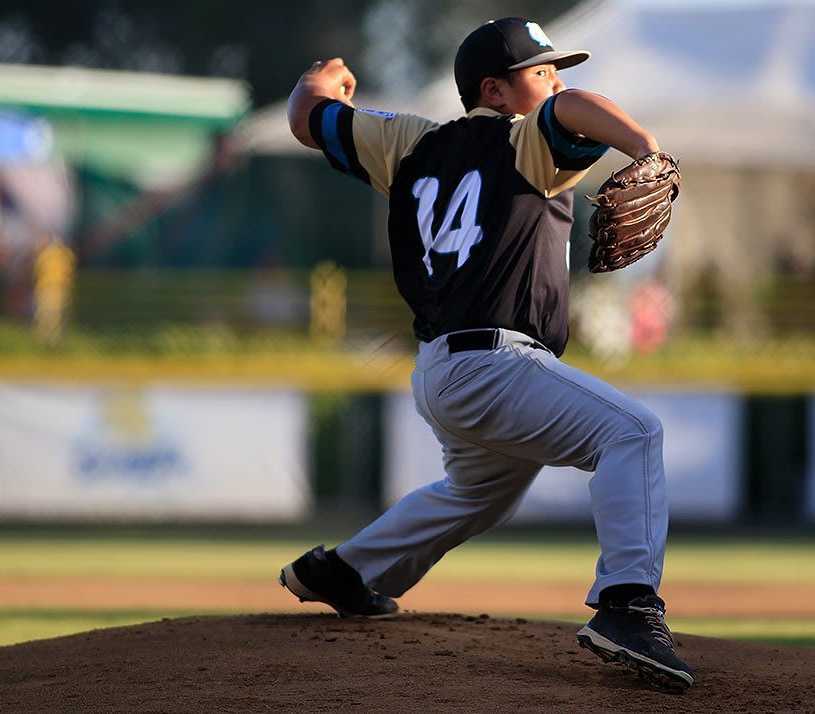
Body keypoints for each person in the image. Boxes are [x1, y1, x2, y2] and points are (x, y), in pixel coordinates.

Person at [277, 17, 693, 691]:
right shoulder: (528, 142)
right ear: (495, 91)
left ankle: (345, 571)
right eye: (541, 71)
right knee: (633, 433)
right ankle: (628, 604)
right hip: (496, 364)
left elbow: (307, 117)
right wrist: (648, 149)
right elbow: (572, 108)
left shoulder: (407, 142)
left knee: (480, 493)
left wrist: (319, 82)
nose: (555, 81)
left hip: (440, 370)